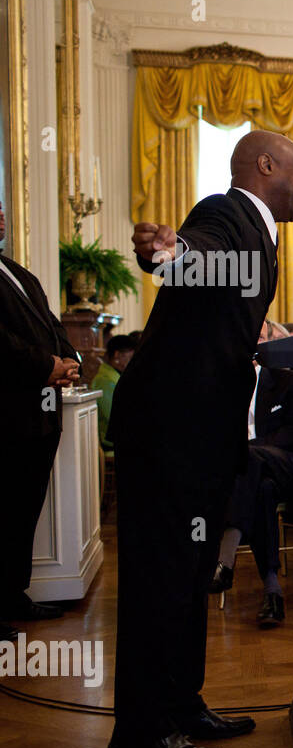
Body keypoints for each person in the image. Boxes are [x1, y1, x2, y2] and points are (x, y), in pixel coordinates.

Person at [109, 129, 293, 748]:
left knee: (193, 576)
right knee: (162, 579)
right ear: (265, 165)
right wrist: (168, 250)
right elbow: (194, 252)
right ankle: (151, 731)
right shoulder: (227, 214)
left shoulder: (264, 234)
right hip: (172, 430)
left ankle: (184, 704)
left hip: (202, 431)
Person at [0, 199, 81, 643]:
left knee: (22, 513)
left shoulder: (19, 272)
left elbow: (55, 327)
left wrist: (69, 360)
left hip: (41, 419)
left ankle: (14, 595)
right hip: (8, 416)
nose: (0, 214)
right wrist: (44, 366)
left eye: (0, 206)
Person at [209, 320, 293, 629]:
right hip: (246, 479)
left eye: (260, 336)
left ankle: (225, 559)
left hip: (287, 468)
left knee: (251, 460)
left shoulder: (287, 381)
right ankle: (272, 592)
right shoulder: (220, 385)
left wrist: (249, 449)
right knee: (261, 490)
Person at [91, 334, 137, 450]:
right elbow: (113, 416)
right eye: (130, 357)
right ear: (117, 355)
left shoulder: (114, 376)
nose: (132, 362)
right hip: (112, 441)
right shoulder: (105, 380)